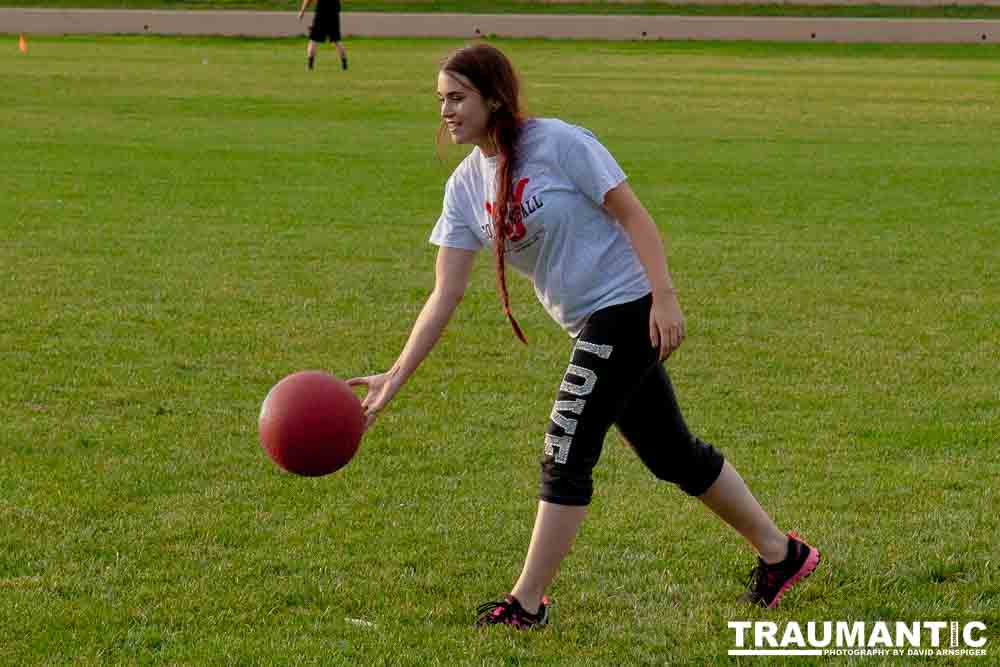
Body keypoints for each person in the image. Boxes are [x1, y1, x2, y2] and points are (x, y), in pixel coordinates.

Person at [347, 43, 820, 629]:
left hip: (628, 306)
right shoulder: (465, 187)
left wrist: (666, 297)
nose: (445, 110)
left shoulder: (558, 144)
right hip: (589, 322)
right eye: (440, 100)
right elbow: (445, 294)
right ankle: (784, 555)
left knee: (566, 445)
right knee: (670, 453)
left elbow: (633, 215)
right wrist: (395, 374)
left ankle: (526, 602)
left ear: (494, 98)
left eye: (457, 97)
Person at [298, 0, 348, 71]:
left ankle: (310, 65)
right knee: (337, 40)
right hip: (334, 11)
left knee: (313, 39)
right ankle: (344, 65)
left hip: (321, 11)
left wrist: (302, 11)